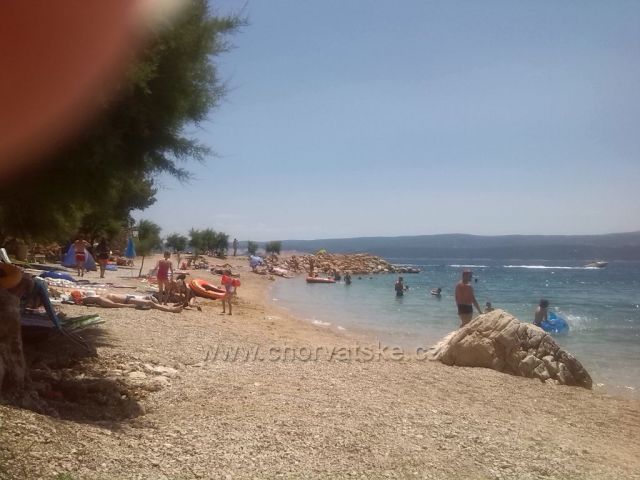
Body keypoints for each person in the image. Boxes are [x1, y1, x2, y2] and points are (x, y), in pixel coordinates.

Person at [82, 293, 182, 313]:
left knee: (150, 302)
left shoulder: (101, 297)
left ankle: (171, 307)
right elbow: (114, 305)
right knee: (150, 303)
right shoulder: (100, 300)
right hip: (128, 300)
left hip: (130, 297)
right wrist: (130, 306)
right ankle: (171, 310)